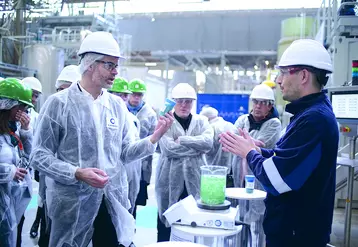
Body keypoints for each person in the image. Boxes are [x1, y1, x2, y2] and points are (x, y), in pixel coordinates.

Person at [30, 31, 174, 247]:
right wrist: (77, 173)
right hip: (72, 203)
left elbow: (123, 153)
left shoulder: (116, 106)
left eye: (116, 66)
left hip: (110, 201)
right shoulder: (59, 104)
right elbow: (39, 156)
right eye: (110, 65)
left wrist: (155, 137)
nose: (115, 72)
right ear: (90, 63)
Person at [219, 39, 339, 247]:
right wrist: (258, 151)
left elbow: (278, 180)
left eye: (283, 73)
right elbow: (285, 160)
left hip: (297, 236)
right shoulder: (307, 115)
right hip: (292, 232)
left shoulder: (314, 120)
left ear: (303, 76)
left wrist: (249, 153)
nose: (278, 80)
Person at [156, 83, 214, 242]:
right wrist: (197, 148)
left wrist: (182, 140)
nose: (184, 105)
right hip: (168, 180)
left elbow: (208, 143)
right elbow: (168, 149)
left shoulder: (201, 121)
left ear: (193, 102)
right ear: (173, 101)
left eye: (188, 101)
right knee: (166, 224)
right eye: (180, 101)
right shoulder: (165, 120)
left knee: (193, 223)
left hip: (194, 181)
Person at [232, 84, 281, 247]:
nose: (258, 106)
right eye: (256, 102)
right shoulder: (242, 120)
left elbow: (262, 146)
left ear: (270, 106)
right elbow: (232, 141)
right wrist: (250, 143)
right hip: (240, 176)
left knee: (260, 220)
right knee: (240, 218)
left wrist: (245, 142)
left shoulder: (274, 124)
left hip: (260, 178)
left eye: (263, 103)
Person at [0, 78, 33, 247]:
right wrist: (9, 172)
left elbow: (27, 158)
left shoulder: (12, 130)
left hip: (9, 200)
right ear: (8, 105)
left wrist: (26, 132)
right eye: (21, 107)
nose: (24, 111)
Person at [108, 77, 142, 215]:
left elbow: (134, 149)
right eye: (118, 94)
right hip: (106, 173)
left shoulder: (132, 119)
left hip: (128, 169)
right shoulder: (99, 115)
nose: (122, 99)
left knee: (126, 208)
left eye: (124, 95)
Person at [127, 79, 158, 216]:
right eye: (133, 94)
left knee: (136, 199)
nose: (136, 97)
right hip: (122, 160)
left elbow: (155, 140)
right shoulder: (120, 108)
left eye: (139, 95)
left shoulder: (150, 114)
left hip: (142, 163)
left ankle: (130, 231)